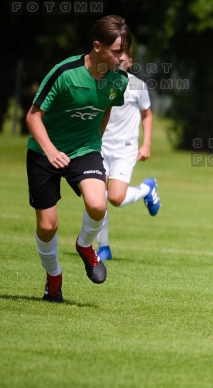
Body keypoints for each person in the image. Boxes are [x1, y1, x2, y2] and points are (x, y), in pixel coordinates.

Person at [26, 15, 132, 303]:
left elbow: (106, 108)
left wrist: (94, 142)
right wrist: (49, 149)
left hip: (85, 150)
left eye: (124, 51)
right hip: (44, 151)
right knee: (48, 226)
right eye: (116, 51)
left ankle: (85, 246)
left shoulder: (119, 80)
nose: (122, 58)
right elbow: (33, 116)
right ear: (97, 46)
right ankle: (54, 277)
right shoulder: (65, 72)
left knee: (98, 204)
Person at [96, 49, 160, 261]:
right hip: (101, 146)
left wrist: (147, 144)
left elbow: (147, 115)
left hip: (125, 149)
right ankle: (102, 247)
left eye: (124, 58)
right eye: (116, 56)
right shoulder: (101, 82)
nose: (120, 60)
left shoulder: (137, 85)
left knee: (115, 198)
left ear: (130, 62)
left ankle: (146, 189)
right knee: (98, 197)